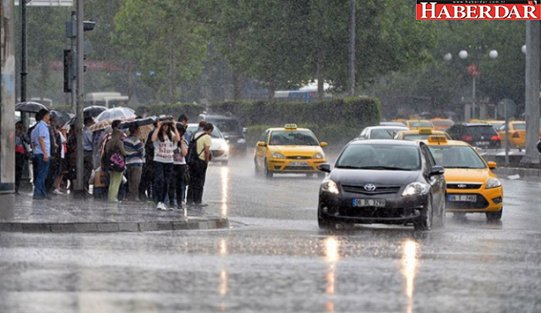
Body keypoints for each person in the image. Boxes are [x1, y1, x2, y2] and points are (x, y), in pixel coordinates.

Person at [151, 119, 180, 210]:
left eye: (167, 125)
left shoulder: (171, 134)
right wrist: (158, 126)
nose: (165, 127)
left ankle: (162, 201)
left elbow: (178, 139)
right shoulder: (158, 135)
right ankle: (159, 200)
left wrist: (174, 127)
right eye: (164, 125)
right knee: (160, 180)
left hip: (169, 161)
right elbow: (153, 139)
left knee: (166, 182)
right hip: (159, 160)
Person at [187, 122, 213, 207]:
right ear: (209, 130)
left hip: (193, 161)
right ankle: (198, 200)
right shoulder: (207, 137)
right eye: (211, 131)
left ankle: (190, 200)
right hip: (201, 161)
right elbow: (206, 151)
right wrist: (206, 162)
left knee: (192, 181)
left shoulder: (196, 135)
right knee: (200, 182)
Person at [30, 109, 51, 200]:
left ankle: (42, 193)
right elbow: (41, 139)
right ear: (45, 116)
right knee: (42, 175)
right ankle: (38, 193)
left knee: (40, 174)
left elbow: (32, 143)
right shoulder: (42, 126)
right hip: (42, 153)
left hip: (37, 153)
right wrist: (45, 153)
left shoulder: (35, 127)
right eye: (48, 115)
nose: (49, 117)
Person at [104, 120, 126, 203]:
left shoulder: (109, 142)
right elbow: (124, 152)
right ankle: (113, 198)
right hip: (118, 164)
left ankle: (110, 197)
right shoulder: (119, 142)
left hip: (110, 163)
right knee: (116, 182)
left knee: (112, 181)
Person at [169, 123, 188, 210]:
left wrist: (181, 143)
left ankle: (179, 202)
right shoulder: (171, 140)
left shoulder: (183, 141)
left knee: (180, 184)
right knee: (171, 184)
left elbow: (184, 153)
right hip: (172, 164)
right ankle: (171, 201)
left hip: (181, 165)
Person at [124, 125, 145, 201]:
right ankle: (135, 197)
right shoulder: (136, 140)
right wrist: (142, 143)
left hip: (128, 162)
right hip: (137, 163)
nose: (140, 131)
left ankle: (130, 196)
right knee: (136, 181)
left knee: (130, 181)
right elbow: (141, 150)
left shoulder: (125, 140)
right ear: (135, 131)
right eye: (139, 129)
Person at [15, 121, 30, 194]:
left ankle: (14, 186)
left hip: (13, 153)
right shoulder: (22, 133)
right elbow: (28, 141)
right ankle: (16, 188)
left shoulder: (13, 132)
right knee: (19, 171)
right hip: (20, 154)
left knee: (14, 170)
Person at [83, 117, 95, 193]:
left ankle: (84, 187)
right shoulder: (88, 132)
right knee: (87, 171)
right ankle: (85, 188)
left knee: (85, 171)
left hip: (84, 152)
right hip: (88, 152)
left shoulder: (83, 130)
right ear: (89, 123)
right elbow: (92, 142)